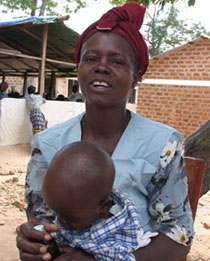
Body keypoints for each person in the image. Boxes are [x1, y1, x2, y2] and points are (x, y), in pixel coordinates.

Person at [17, 3, 194, 261]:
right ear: (78, 68)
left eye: (117, 61)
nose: (101, 67)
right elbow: (41, 221)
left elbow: (179, 237)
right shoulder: (47, 144)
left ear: (137, 77)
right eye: (91, 58)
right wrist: (33, 241)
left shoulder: (163, 145)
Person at [41, 141, 158, 260]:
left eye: (70, 219)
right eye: (56, 212)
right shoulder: (74, 209)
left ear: (104, 207)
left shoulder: (118, 237)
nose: (60, 221)